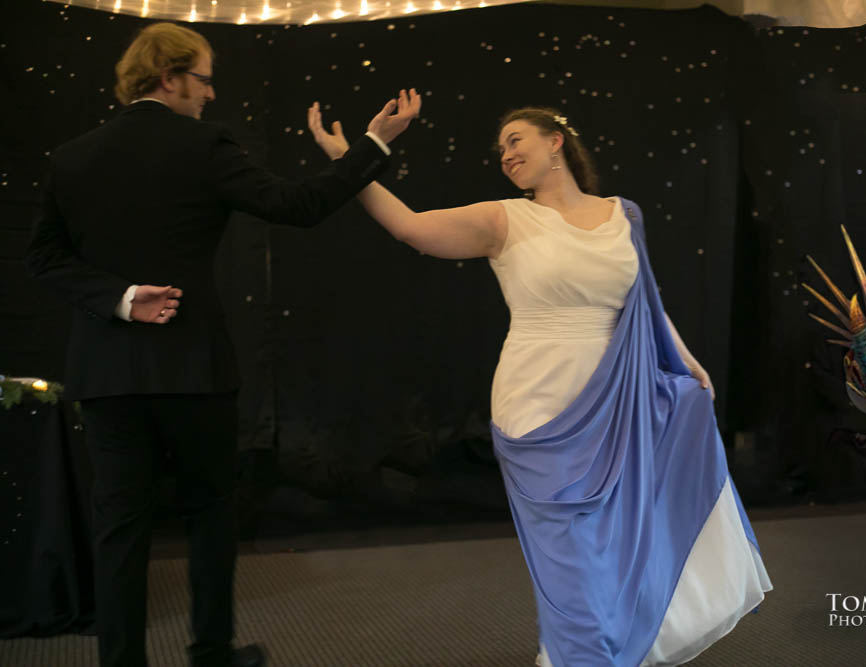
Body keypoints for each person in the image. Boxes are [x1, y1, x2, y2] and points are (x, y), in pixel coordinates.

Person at [309, 98, 771, 666]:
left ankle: (602, 650)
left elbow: (644, 302)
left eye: (515, 140)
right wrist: (353, 158)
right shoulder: (506, 218)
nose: (506, 155)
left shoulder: (624, 214)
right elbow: (410, 229)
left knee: (615, 546)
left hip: (619, 405)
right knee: (568, 556)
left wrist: (686, 361)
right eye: (500, 148)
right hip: (539, 405)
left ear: (556, 142)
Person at [24, 22, 419, 667]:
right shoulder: (205, 145)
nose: (210, 94)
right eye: (204, 79)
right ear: (170, 76)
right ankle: (211, 655)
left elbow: (42, 259)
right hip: (192, 368)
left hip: (106, 375)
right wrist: (373, 143)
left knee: (120, 529)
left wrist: (120, 298)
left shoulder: (72, 157)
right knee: (210, 515)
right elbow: (297, 206)